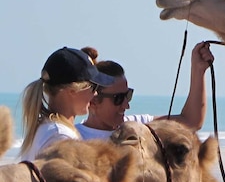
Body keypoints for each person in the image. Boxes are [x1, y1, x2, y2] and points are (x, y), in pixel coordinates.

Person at [74, 42, 214, 139]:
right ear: (93, 100)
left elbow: (191, 121)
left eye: (127, 95)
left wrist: (198, 69)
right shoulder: (74, 138)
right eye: (118, 98)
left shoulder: (137, 126)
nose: (126, 105)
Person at [19, 47, 116, 161]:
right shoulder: (61, 136)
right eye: (93, 87)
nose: (95, 93)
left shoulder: (47, 128)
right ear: (73, 91)